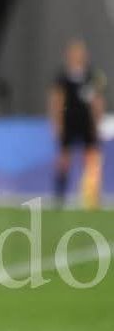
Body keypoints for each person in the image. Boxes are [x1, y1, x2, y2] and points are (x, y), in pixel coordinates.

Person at [49, 39, 105, 209]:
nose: (78, 56)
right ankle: (59, 198)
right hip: (69, 121)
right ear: (68, 55)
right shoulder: (62, 77)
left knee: (91, 159)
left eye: (80, 52)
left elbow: (97, 100)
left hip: (86, 122)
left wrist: (97, 122)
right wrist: (57, 123)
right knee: (64, 158)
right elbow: (57, 101)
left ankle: (91, 199)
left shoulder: (91, 76)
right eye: (75, 52)